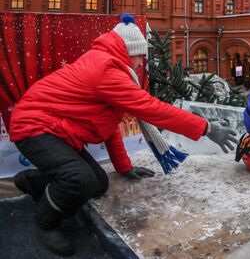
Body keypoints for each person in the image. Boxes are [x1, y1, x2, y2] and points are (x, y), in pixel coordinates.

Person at [9, 14, 238, 257]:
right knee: (79, 180)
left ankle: (32, 181)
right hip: (34, 126)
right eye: (140, 56)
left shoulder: (108, 65)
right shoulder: (106, 70)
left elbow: (107, 124)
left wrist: (124, 167)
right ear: (129, 53)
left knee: (97, 183)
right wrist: (208, 128)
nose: (142, 62)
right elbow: (153, 109)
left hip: (58, 131)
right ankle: (46, 222)